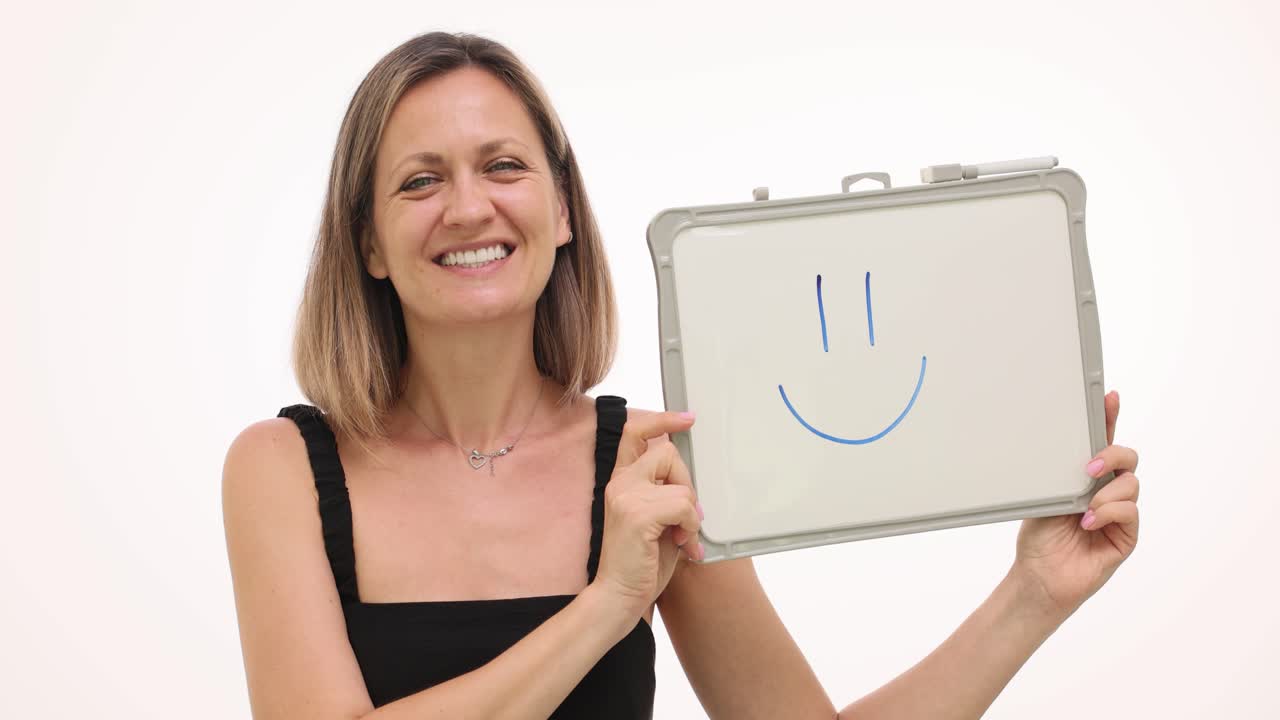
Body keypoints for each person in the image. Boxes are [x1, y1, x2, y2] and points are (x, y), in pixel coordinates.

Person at [221, 31, 1143, 720]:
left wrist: (1032, 598)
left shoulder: (649, 470)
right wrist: (608, 605)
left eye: (503, 166)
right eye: (420, 181)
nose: (470, 207)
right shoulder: (282, 469)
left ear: (562, 212)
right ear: (368, 244)